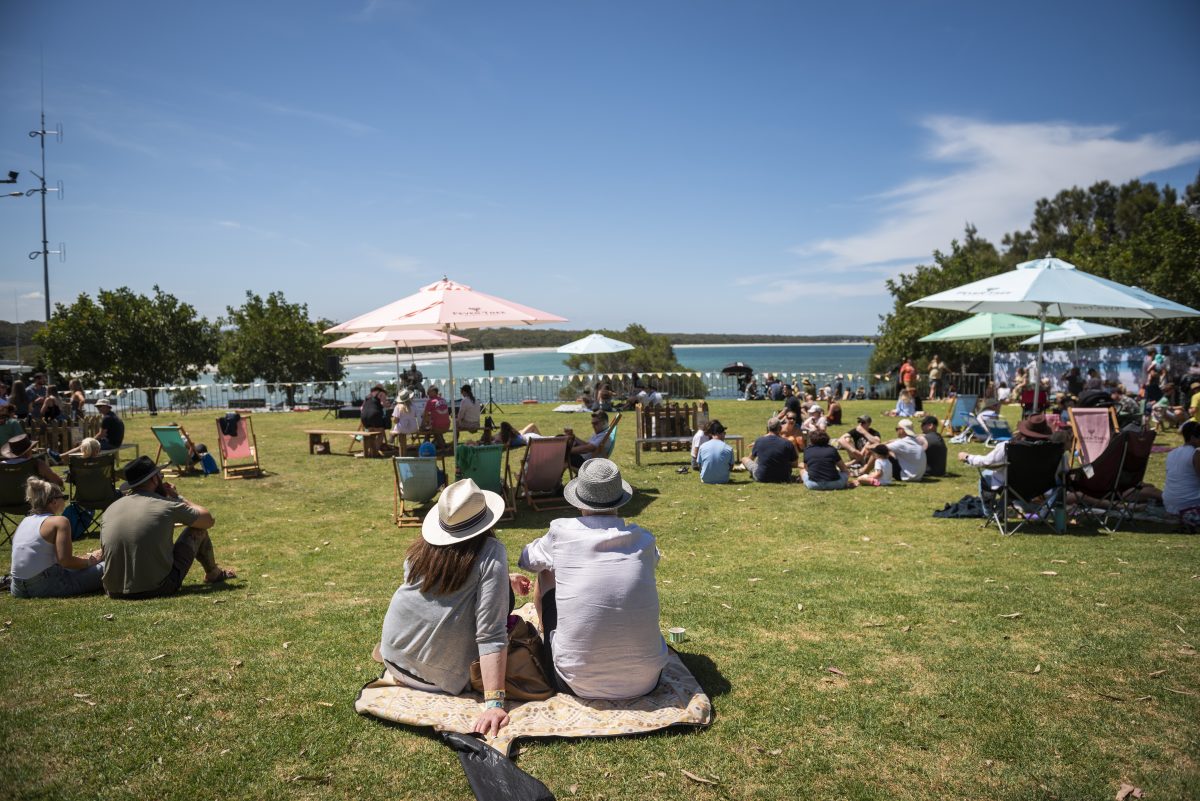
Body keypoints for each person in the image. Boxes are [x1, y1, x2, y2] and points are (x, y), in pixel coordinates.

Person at [377, 479, 524, 735]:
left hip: (393, 657)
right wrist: (495, 703)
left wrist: (503, 579)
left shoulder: (422, 550)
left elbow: (440, 592)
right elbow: (491, 631)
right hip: (440, 677)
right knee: (504, 605)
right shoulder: (491, 552)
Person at [519, 458, 668, 699]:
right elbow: (654, 561)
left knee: (546, 570)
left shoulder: (561, 532)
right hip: (648, 680)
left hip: (574, 681)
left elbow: (527, 559)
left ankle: (548, 633)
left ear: (579, 501)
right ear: (620, 500)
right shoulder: (644, 539)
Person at [100, 456, 236, 598]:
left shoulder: (111, 508)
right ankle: (213, 573)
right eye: (160, 475)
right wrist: (178, 497)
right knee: (197, 530)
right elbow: (208, 520)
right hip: (156, 588)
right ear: (154, 479)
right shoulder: (166, 505)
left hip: (113, 591)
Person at [8, 477, 105, 598]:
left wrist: (85, 560)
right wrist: (91, 561)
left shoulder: (25, 521)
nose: (65, 501)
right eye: (63, 498)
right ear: (54, 501)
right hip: (45, 586)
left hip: (17, 587)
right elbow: (66, 562)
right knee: (108, 566)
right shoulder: (60, 521)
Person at [957, 414, 1053, 491]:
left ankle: (990, 512)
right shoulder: (1052, 449)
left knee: (986, 474)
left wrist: (968, 457)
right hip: (1043, 488)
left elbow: (988, 462)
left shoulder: (1009, 446)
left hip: (1014, 487)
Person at [1162, 421, 1200, 533]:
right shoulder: (1196, 454)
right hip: (1189, 503)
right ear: (1193, 437)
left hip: (1170, 504)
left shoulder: (1172, 453)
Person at [740, 417, 797, 483]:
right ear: (780, 428)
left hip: (762, 477)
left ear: (768, 428)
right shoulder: (787, 443)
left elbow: (750, 458)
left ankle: (754, 473)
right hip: (784, 477)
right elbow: (795, 464)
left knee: (744, 459)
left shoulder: (759, 441)